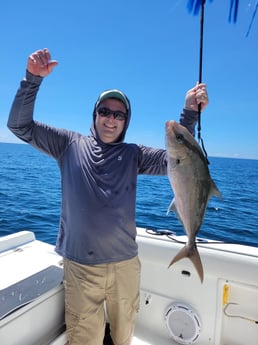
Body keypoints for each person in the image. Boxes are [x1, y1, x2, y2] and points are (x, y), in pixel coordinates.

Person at [7, 48, 208, 345]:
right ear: (95, 114)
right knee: (84, 338)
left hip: (126, 266)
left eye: (118, 114)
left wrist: (189, 114)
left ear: (126, 120)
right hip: (81, 269)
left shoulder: (134, 154)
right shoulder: (68, 144)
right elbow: (19, 126)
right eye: (105, 111)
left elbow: (179, 161)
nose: (110, 119)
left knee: (124, 335)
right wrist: (31, 80)